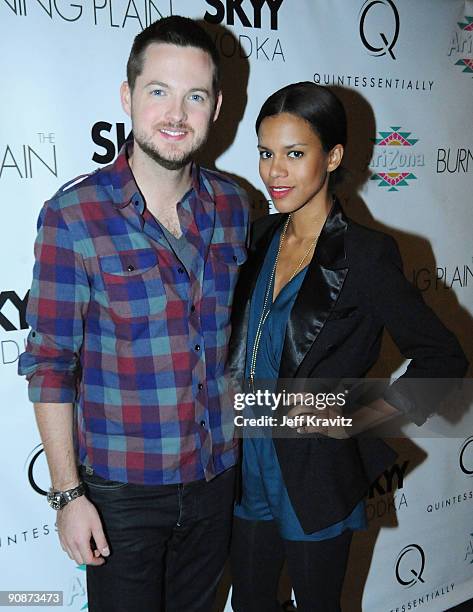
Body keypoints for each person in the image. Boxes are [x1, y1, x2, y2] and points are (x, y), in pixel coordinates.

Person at [18, 16, 248, 612]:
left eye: (194, 96)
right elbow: (49, 364)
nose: (176, 113)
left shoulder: (234, 205)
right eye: (158, 91)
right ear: (127, 97)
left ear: (216, 107)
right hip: (121, 494)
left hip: (216, 478)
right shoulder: (73, 217)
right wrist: (69, 495)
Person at [228, 82, 468, 612]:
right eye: (267, 154)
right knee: (249, 603)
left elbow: (443, 358)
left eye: (295, 154)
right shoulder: (258, 236)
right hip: (248, 463)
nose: (275, 172)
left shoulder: (366, 254)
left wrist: (360, 414)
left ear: (333, 156)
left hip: (316, 471)